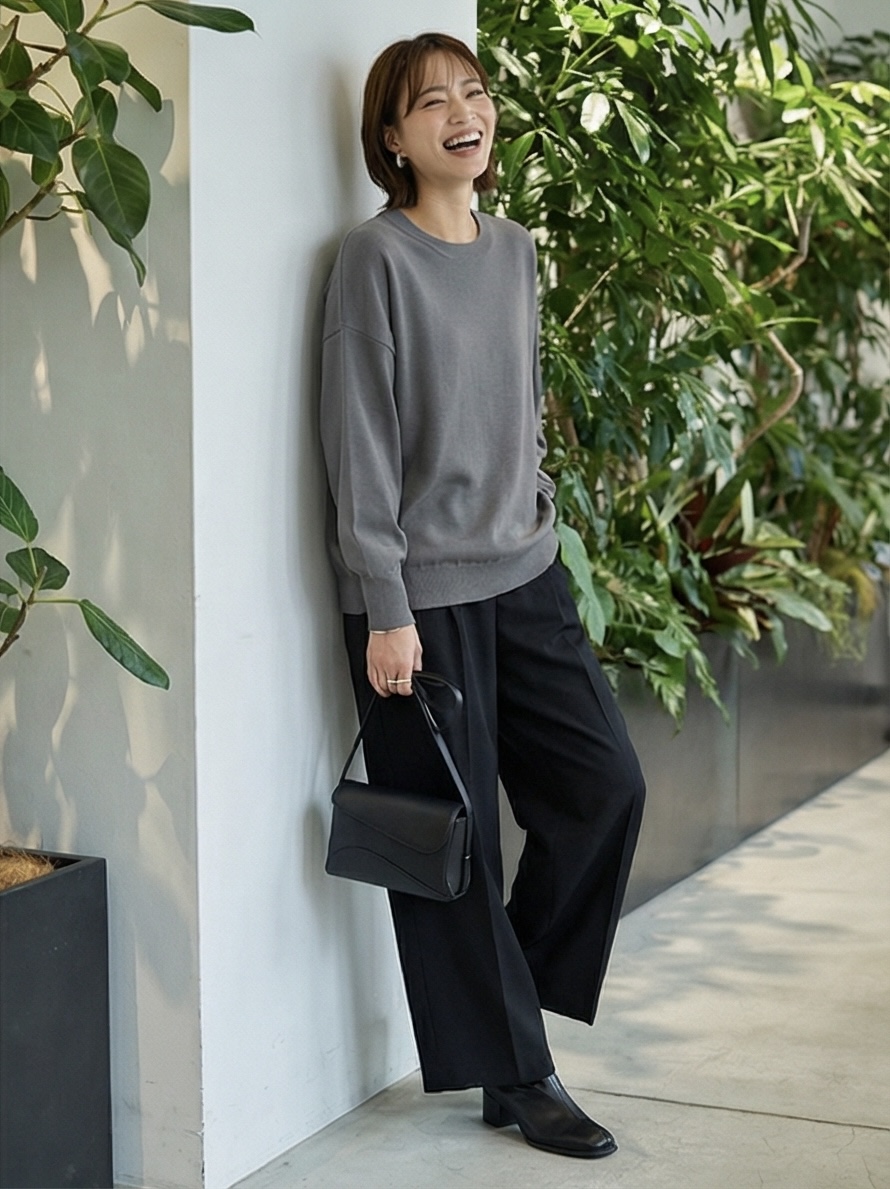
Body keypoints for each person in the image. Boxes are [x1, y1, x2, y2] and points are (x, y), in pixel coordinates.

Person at [320, 31, 645, 1159]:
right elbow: (359, 441)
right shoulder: (374, 260)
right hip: (418, 597)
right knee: (452, 844)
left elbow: (518, 402)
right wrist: (386, 602)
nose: (463, 112)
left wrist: (536, 503)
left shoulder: (512, 249)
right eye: (431, 102)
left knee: (604, 786)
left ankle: (502, 1018)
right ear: (392, 138)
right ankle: (520, 1071)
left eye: (474, 90)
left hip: (525, 569)